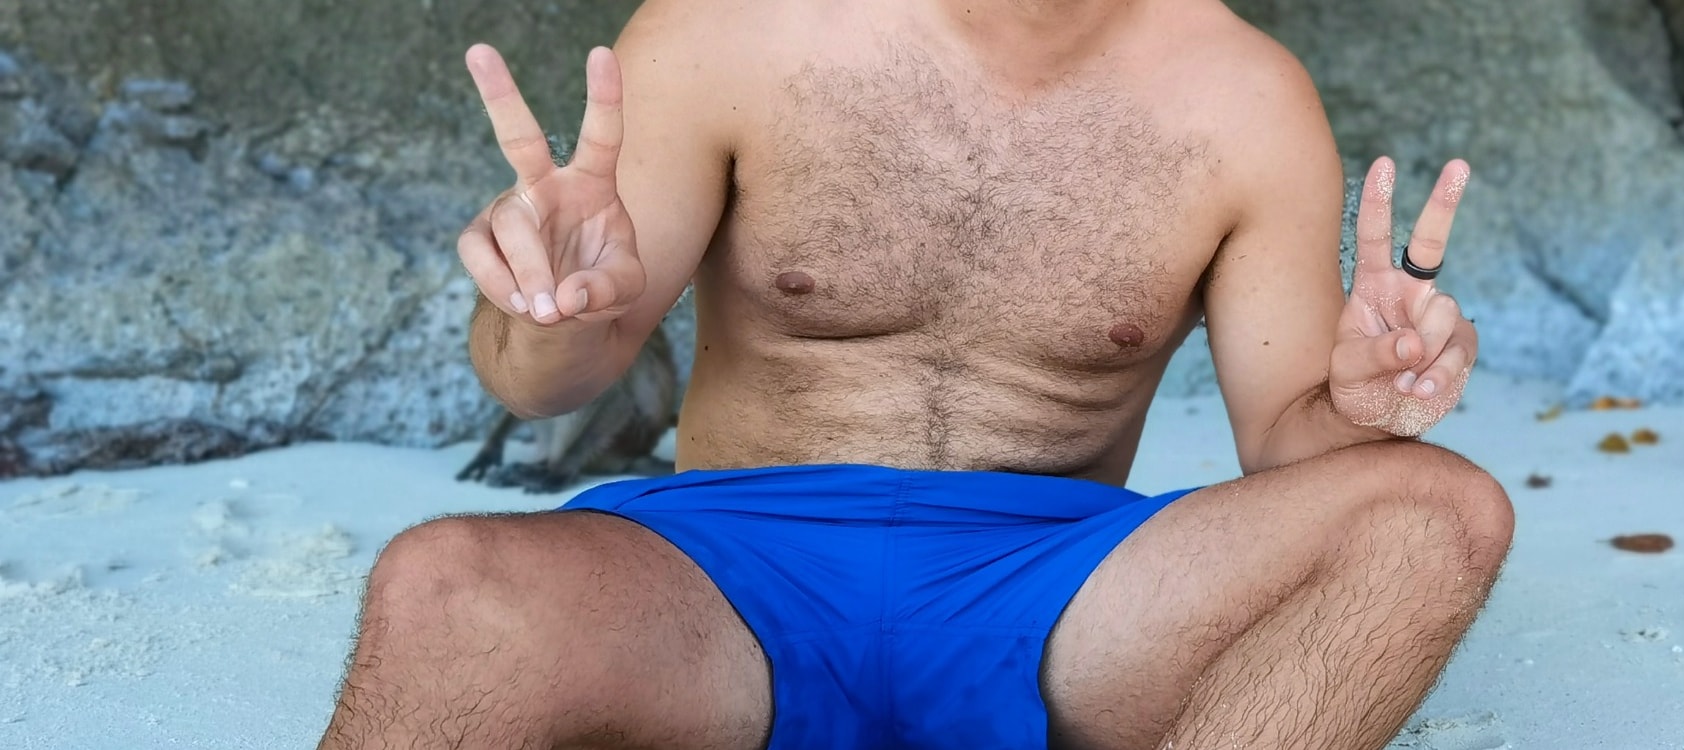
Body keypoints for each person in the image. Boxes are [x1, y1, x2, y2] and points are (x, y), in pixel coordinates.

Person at [314, 0, 1513, 747]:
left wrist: (1362, 407)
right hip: (724, 582)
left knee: (1439, 511)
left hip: (1061, 602)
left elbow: (1289, 459)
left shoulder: (1247, 96)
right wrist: (544, 303)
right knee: (441, 584)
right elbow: (539, 386)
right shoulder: (728, 28)